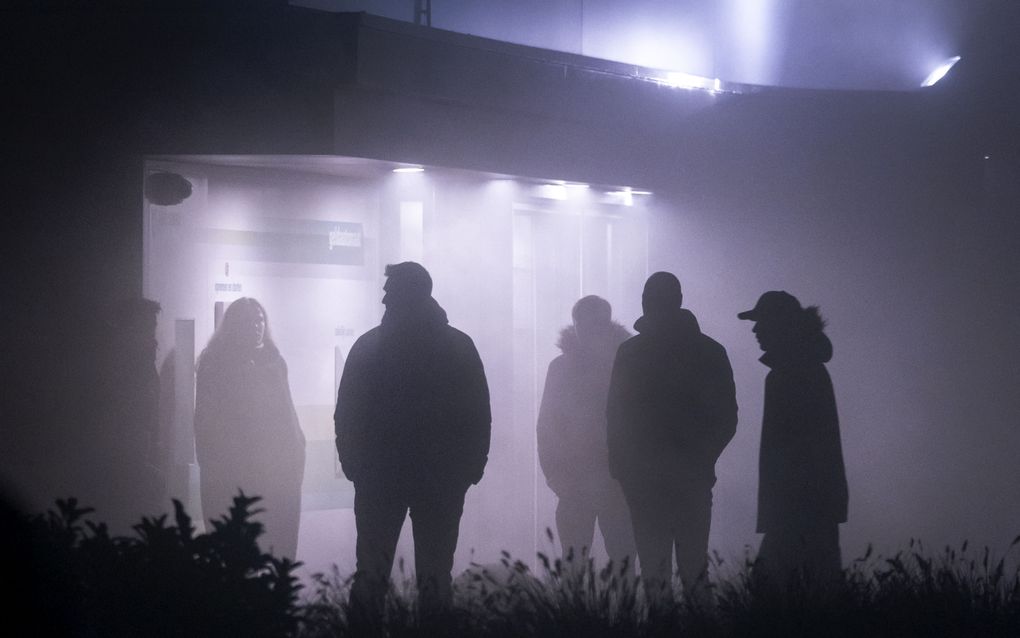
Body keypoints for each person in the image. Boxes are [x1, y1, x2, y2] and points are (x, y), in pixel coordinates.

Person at [335, 262, 491, 615]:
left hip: (380, 478)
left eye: (391, 290)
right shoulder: (458, 346)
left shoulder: (368, 347)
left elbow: (347, 412)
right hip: (440, 480)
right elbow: (478, 413)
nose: (385, 296)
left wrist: (353, 464)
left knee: (371, 576)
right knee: (436, 578)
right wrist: (470, 468)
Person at [607, 272, 737, 604]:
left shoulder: (631, 353)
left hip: (647, 483)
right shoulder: (709, 351)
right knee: (693, 570)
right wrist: (701, 461)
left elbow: (615, 417)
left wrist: (623, 470)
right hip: (686, 479)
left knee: (655, 572)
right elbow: (726, 418)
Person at [738, 291, 848, 590]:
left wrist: (782, 508)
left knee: (772, 588)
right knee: (819, 589)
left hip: (798, 506)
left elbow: (795, 449)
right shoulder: (805, 367)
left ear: (779, 325)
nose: (755, 330)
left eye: (761, 322)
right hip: (813, 504)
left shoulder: (792, 373)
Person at [194, 297, 306, 558]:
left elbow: (287, 416)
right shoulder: (215, 365)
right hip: (233, 475)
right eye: (248, 321)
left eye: (260, 320)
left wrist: (297, 453)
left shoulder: (274, 362)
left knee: (277, 550)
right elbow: (208, 424)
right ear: (234, 325)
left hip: (277, 475)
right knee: (235, 554)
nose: (256, 326)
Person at [538, 295, 636, 570]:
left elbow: (546, 425)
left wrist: (555, 475)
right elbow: (547, 425)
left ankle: (577, 613)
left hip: (609, 482)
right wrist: (555, 476)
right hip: (583, 483)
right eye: (585, 323)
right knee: (613, 564)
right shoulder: (624, 363)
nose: (590, 329)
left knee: (611, 563)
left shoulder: (624, 364)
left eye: (595, 323)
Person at [96, 297, 165, 534]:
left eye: (152, 325)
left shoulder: (140, 360)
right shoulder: (120, 362)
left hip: (138, 451)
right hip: (127, 455)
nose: (152, 332)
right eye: (147, 325)